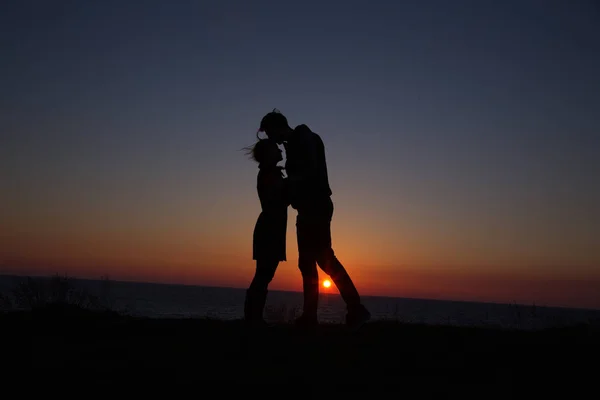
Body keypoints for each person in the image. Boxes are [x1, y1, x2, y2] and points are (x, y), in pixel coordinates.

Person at [257, 109, 371, 331]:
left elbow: (311, 171)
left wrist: (287, 184)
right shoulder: (295, 144)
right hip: (308, 208)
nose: (273, 140)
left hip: (317, 206)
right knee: (308, 262)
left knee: (324, 259)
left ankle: (355, 309)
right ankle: (313, 316)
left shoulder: (305, 136)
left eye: (272, 133)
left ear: (279, 126)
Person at [243, 137, 289, 327]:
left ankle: (254, 317)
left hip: (272, 227)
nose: (280, 150)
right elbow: (283, 197)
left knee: (264, 275)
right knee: (263, 275)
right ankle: (253, 318)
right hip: (270, 228)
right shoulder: (270, 174)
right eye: (276, 148)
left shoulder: (270, 173)